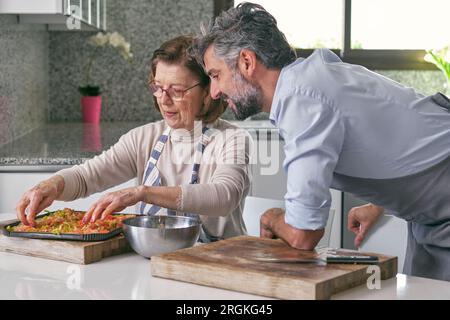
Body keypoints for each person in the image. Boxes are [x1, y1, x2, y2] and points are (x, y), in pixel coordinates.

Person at [190, 2, 450, 280]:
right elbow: (399, 132)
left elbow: (304, 234)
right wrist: (380, 202)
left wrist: (272, 218)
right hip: (431, 212)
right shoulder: (312, 77)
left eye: (216, 75)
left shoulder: (303, 100)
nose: (214, 92)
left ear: (246, 62)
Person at [16, 35, 252, 242]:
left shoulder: (232, 139)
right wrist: (51, 185)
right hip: (153, 260)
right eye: (158, 87)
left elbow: (224, 196)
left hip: (218, 262)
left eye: (177, 91)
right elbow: (87, 177)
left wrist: (142, 193)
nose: (163, 99)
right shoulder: (144, 138)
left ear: (207, 93)